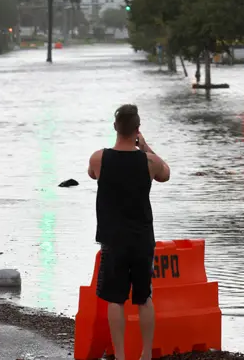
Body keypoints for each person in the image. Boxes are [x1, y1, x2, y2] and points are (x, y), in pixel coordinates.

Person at [87, 104, 170, 360]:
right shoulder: (149, 161)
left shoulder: (99, 158)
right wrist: (144, 146)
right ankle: (145, 354)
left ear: (115, 127)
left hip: (113, 237)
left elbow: (92, 175)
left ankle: (121, 355)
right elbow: (165, 174)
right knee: (144, 297)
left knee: (115, 299)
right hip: (142, 237)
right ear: (137, 129)